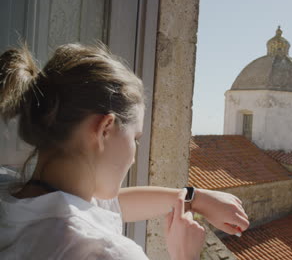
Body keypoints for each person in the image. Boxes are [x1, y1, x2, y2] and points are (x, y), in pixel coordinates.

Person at [0, 43, 249, 259]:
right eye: (135, 138)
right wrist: (186, 255)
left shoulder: (10, 196)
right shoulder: (103, 251)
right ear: (105, 128)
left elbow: (108, 204)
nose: (132, 156)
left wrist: (194, 198)